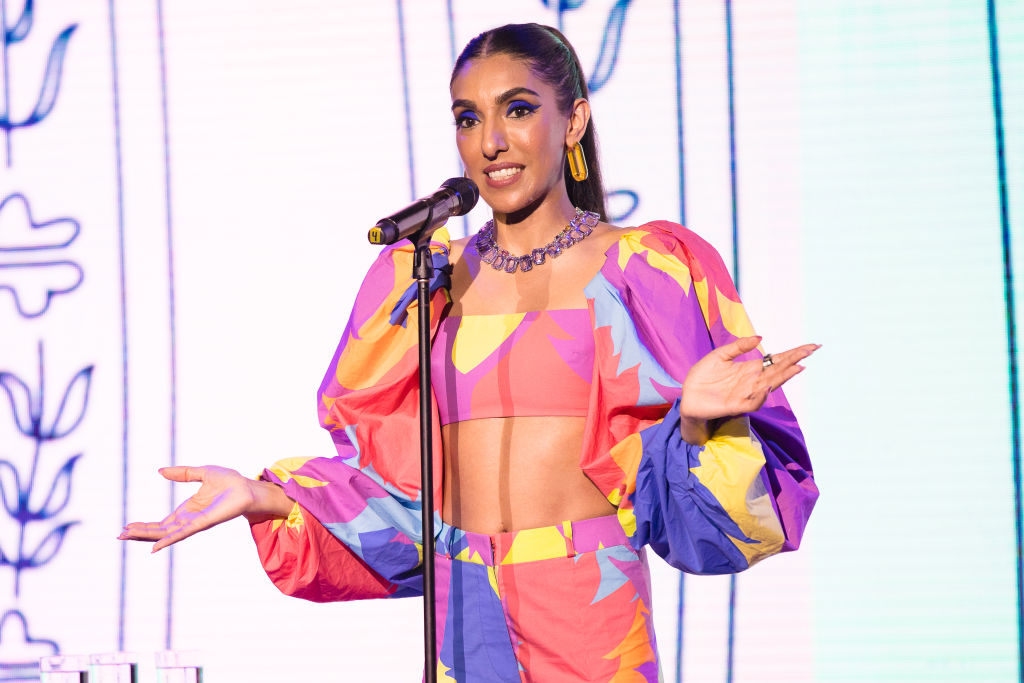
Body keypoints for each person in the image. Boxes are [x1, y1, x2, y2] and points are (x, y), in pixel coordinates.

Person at [121, 23, 819, 682]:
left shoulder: (645, 268)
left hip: (588, 596)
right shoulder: (423, 280)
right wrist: (265, 497)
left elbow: (699, 503)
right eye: (467, 118)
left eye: (517, 109)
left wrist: (702, 423)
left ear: (572, 121)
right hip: (463, 604)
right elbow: (402, 495)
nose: (490, 141)